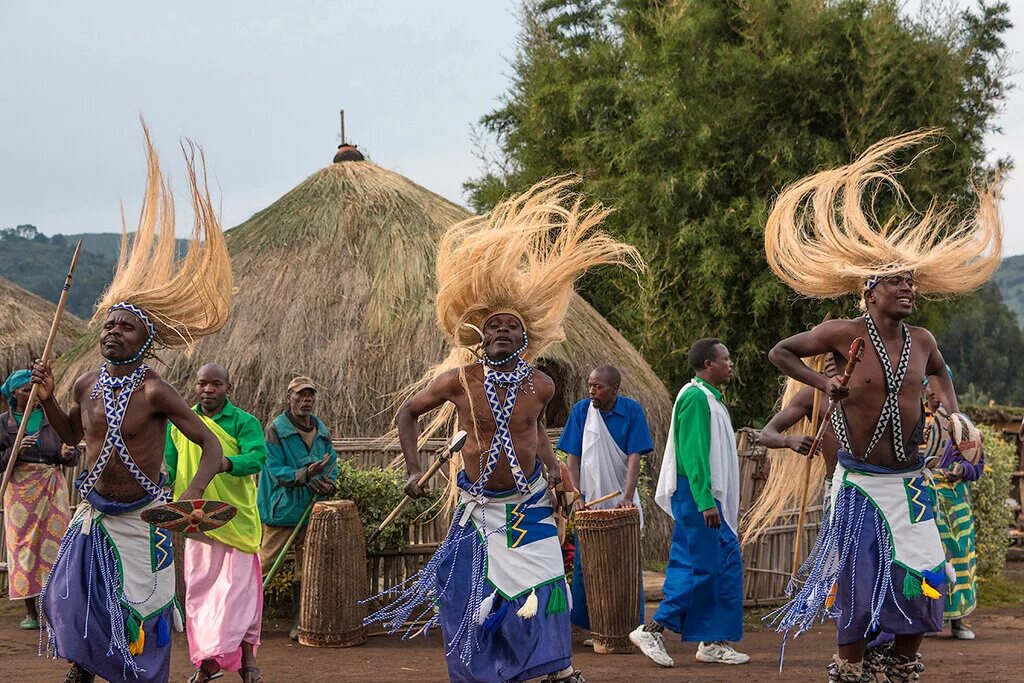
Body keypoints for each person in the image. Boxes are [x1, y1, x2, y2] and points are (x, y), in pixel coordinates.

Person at [365, 178, 641, 683]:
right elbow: (407, 413)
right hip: (479, 508)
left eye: (509, 327)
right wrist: (413, 465)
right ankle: (481, 672)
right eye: (491, 327)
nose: (499, 333)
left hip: (528, 504)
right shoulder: (460, 381)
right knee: (465, 592)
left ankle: (552, 669)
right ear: (479, 335)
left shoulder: (540, 385)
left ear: (524, 337)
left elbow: (536, 438)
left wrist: (562, 481)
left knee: (544, 586)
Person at [762, 130, 1001, 683]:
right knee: (861, 578)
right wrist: (824, 390)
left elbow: (941, 376)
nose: (906, 286)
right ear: (870, 289)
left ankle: (902, 660)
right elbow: (781, 352)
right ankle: (849, 666)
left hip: (912, 483)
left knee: (925, 574)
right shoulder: (845, 333)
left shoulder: (922, 341)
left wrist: (951, 414)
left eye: (910, 279)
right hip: (861, 482)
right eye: (895, 279)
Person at [31, 126, 234, 683]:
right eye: (109, 324)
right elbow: (72, 437)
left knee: (144, 610)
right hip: (93, 511)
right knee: (75, 596)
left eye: (125, 327)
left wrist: (190, 499)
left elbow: (211, 444)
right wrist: (47, 402)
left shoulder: (154, 390)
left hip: (146, 515)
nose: (112, 332)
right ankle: (82, 665)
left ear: (144, 340)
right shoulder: (86, 384)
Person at [630, 338, 748, 668]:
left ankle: (712, 641)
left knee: (722, 562)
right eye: (726, 359)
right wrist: (705, 500)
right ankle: (653, 629)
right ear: (709, 365)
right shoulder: (696, 397)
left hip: (704, 497)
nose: (730, 364)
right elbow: (693, 453)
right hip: (698, 495)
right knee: (704, 568)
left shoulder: (711, 398)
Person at [166, 363, 267, 682]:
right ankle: (207, 664)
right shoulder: (180, 424)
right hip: (196, 521)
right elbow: (170, 464)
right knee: (200, 594)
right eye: (202, 384)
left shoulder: (244, 422)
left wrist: (225, 463)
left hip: (235, 519)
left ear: (228, 388)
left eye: (216, 384)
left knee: (237, 597)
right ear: (195, 387)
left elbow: (257, 458)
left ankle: (247, 663)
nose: (208, 389)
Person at [556, 364, 653, 640]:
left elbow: (634, 458)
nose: (591, 391)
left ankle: (629, 624)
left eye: (598, 386)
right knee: (588, 565)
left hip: (621, 498)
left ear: (615, 389)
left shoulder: (632, 411)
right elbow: (572, 459)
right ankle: (590, 624)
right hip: (591, 500)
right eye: (590, 385)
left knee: (626, 563)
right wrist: (577, 496)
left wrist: (626, 497)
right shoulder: (581, 411)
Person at [256, 375, 337, 641]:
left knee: (307, 569)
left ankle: (299, 623)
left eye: (310, 396)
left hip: (310, 510)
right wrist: (303, 476)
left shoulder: (322, 431)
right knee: (264, 565)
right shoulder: (276, 430)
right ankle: (243, 619)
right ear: (289, 398)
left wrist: (328, 484)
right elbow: (276, 469)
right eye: (300, 395)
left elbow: (331, 463)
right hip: (282, 509)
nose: (306, 400)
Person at [1, 369, 77, 630]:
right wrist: (13, 451)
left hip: (51, 488)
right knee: (23, 547)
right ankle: (30, 612)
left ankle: (54, 609)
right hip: (20, 492)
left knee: (56, 546)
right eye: (25, 390)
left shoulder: (52, 420)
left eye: (32, 389)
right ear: (14, 393)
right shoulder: (4, 423)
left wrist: (67, 453)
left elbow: (69, 454)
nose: (31, 394)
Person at [744, 353, 839, 546]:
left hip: (877, 481)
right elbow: (767, 433)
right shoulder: (813, 395)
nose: (831, 359)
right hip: (839, 485)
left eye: (836, 352)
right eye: (827, 354)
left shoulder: (872, 392)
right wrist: (789, 440)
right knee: (839, 557)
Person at [921, 376, 982, 640]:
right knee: (926, 555)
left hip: (954, 499)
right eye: (929, 391)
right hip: (920, 497)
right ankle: (928, 618)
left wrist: (963, 468)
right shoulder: (912, 417)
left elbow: (977, 464)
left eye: (938, 391)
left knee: (958, 553)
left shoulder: (960, 423)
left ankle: (959, 621)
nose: (934, 396)